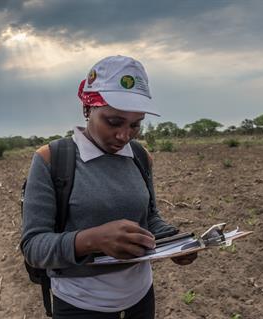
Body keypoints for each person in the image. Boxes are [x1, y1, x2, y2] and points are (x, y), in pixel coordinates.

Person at [21, 55, 197, 319]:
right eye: (114, 122)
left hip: (140, 299)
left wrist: (176, 242)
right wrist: (91, 240)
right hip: (80, 305)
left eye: (135, 125)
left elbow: (149, 217)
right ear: (88, 109)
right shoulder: (52, 159)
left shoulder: (139, 156)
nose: (124, 135)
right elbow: (34, 247)